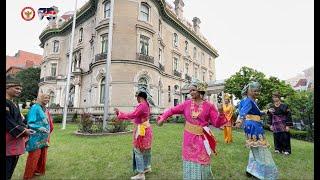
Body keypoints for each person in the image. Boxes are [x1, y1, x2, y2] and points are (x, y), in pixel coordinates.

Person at [157, 80, 227, 180]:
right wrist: (163, 118)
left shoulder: (209, 106)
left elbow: (216, 123)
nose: (191, 93)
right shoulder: (187, 104)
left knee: (202, 160)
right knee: (189, 160)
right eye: (190, 91)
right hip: (188, 139)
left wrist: (221, 114)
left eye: (193, 90)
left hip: (201, 139)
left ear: (200, 90)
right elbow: (172, 110)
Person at [235, 82, 278, 179]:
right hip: (253, 127)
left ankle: (250, 170)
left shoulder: (251, 101)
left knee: (255, 149)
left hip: (253, 126)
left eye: (258, 91)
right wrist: (239, 121)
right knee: (260, 149)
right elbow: (242, 112)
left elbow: (256, 113)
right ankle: (259, 173)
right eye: (255, 91)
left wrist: (266, 111)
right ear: (249, 91)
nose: (257, 93)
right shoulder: (248, 101)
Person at [114, 89, 153, 180]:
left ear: (140, 97)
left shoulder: (142, 106)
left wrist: (120, 114)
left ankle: (141, 174)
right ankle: (147, 167)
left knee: (138, 150)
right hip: (146, 129)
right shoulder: (146, 105)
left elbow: (132, 115)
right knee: (146, 150)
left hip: (142, 131)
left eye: (137, 97)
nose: (136, 99)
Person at [6, 76, 33, 180]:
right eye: (17, 88)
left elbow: (18, 121)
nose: (19, 91)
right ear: (7, 87)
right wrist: (23, 130)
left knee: (10, 171)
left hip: (14, 142)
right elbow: (7, 121)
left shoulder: (14, 103)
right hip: (7, 143)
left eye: (20, 89)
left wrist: (25, 128)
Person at [23, 94, 54, 180]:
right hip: (36, 136)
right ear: (40, 98)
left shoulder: (45, 109)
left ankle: (38, 171)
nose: (47, 99)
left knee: (43, 154)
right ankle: (28, 176)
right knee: (34, 155)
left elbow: (48, 121)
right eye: (45, 98)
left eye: (48, 98)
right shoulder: (35, 107)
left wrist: (49, 130)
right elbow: (30, 122)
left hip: (44, 136)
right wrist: (39, 127)